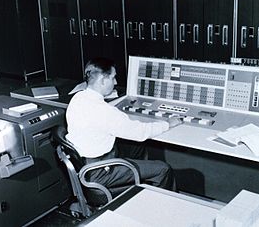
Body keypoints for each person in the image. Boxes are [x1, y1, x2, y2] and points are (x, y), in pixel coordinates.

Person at [66, 57, 182, 193]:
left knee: (136, 146)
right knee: (163, 169)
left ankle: (141, 186)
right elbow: (140, 133)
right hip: (101, 172)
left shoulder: (78, 97)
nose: (115, 82)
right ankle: (161, 209)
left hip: (86, 163)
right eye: (113, 77)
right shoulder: (105, 111)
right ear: (103, 80)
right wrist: (167, 123)